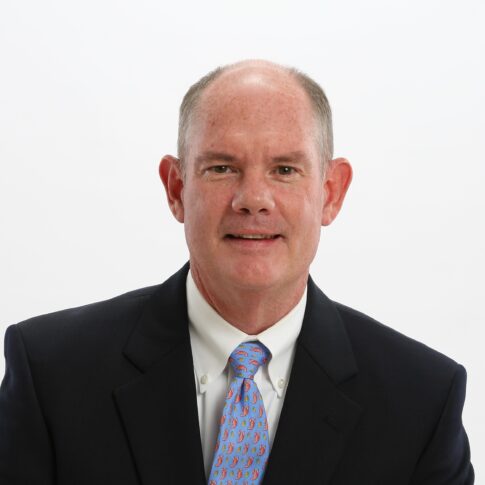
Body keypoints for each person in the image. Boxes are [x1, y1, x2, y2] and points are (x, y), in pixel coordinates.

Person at [0, 60, 474, 484]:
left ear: (331, 192)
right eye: (222, 167)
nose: (253, 198)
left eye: (285, 170)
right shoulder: (51, 374)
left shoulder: (422, 400)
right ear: (176, 187)